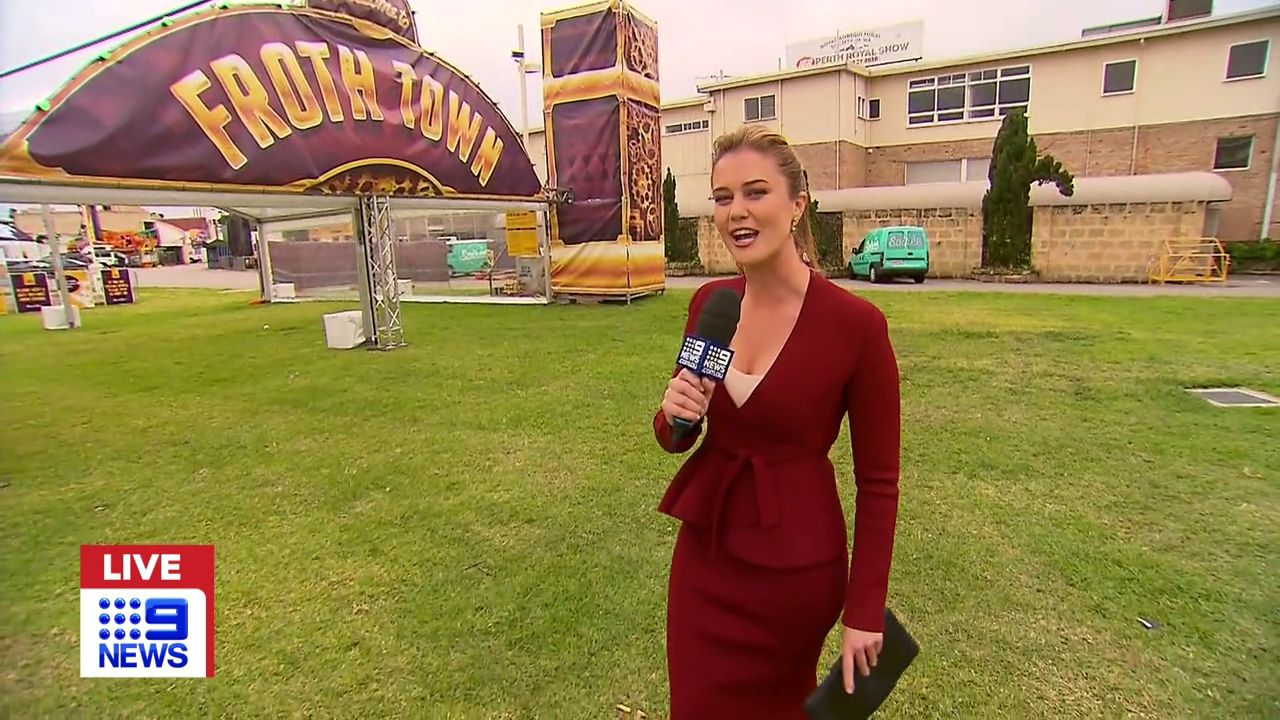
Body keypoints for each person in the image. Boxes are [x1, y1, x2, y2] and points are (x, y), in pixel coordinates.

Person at [653, 124, 901, 719]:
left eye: (755, 192)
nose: (736, 211)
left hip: (795, 571)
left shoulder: (856, 327)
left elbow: (879, 484)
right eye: (722, 197)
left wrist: (865, 610)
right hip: (707, 559)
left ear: (797, 206)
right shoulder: (712, 304)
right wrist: (674, 414)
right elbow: (677, 434)